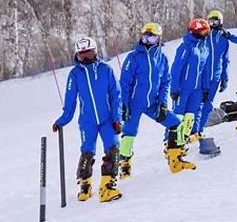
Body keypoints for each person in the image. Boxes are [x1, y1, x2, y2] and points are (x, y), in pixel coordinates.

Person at [119, 22, 196, 177]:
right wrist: (124, 105)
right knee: (129, 133)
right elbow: (124, 83)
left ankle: (175, 159)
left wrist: (162, 103)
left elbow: (165, 82)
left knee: (176, 124)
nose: (147, 41)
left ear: (158, 39)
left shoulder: (162, 59)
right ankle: (124, 165)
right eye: (145, 37)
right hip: (134, 104)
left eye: (151, 38)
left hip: (152, 104)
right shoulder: (133, 58)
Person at [52, 37, 122, 203]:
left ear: (95, 51)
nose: (86, 58)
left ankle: (107, 187)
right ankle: (85, 186)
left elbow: (116, 95)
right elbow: (70, 102)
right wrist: (62, 120)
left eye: (89, 53)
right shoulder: (75, 74)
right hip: (87, 121)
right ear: (77, 55)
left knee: (113, 149)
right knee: (87, 152)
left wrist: (117, 117)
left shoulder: (106, 69)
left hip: (107, 119)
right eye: (82, 55)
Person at [190, 10, 230, 141]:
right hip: (202, 76)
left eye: (215, 21)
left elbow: (225, 60)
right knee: (197, 103)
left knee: (207, 105)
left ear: (220, 22)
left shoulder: (224, 39)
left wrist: (225, 78)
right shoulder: (204, 36)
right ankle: (192, 130)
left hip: (215, 77)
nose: (213, 24)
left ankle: (199, 131)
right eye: (210, 21)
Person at [170, 18, 210, 141]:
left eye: (207, 32)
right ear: (195, 32)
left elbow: (205, 71)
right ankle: (170, 141)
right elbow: (176, 69)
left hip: (197, 88)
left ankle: (183, 138)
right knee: (178, 115)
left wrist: (205, 88)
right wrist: (174, 88)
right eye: (203, 32)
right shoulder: (185, 47)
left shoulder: (204, 48)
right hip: (183, 88)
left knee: (191, 115)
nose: (206, 35)